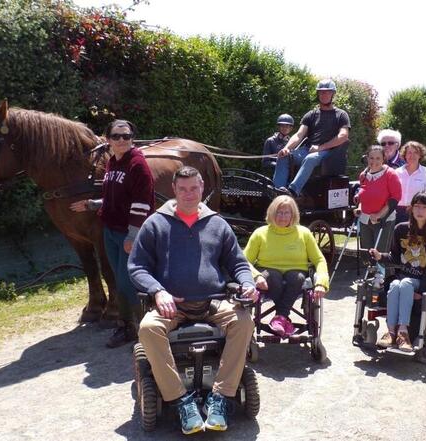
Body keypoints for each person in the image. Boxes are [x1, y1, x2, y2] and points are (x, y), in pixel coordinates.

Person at [128, 166, 258, 434]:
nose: (189, 193)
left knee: (243, 321)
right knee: (148, 329)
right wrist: (157, 290)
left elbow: (238, 263)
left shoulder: (217, 224)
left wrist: (246, 282)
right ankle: (181, 400)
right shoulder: (156, 223)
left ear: (202, 189)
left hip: (212, 301)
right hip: (172, 305)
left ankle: (220, 397)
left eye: (194, 188)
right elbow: (137, 266)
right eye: (183, 188)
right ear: (173, 190)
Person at [70, 119, 154, 348]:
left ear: (132, 138)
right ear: (108, 140)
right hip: (110, 230)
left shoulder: (137, 164)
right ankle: (128, 325)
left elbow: (142, 202)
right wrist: (92, 204)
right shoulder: (113, 163)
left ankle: (140, 328)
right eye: (116, 136)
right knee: (118, 279)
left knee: (128, 283)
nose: (121, 140)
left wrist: (132, 235)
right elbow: (114, 197)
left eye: (126, 136)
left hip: (128, 233)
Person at [369, 191, 426, 351]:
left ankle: (402, 332)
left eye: (424, 207)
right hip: (404, 280)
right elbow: (396, 258)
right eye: (416, 206)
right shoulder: (401, 229)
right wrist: (380, 256)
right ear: (411, 209)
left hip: (424, 280)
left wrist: (422, 290)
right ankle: (392, 332)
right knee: (394, 285)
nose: (419, 210)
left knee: (403, 283)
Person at [243, 195, 329, 337]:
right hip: (268, 273)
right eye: (279, 212)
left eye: (286, 213)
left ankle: (280, 318)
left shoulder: (304, 233)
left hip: (296, 273)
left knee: (297, 277)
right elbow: (244, 260)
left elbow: (319, 260)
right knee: (273, 276)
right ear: (272, 213)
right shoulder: (260, 234)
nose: (282, 217)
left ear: (293, 214)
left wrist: (321, 283)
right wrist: (256, 276)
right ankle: (283, 318)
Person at [273, 79, 351, 195]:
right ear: (318, 94)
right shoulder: (311, 115)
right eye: (321, 92)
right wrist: (287, 148)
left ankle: (293, 191)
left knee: (310, 159)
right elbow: (299, 135)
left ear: (332, 94)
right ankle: (277, 191)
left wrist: (321, 147)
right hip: (308, 150)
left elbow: (343, 136)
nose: (324, 95)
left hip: (330, 153)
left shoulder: (341, 115)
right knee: (284, 156)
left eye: (327, 92)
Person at [355, 145, 402, 253]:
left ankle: (382, 271)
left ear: (383, 159)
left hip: (383, 221)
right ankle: (369, 270)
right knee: (367, 256)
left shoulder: (390, 174)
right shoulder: (363, 175)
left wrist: (379, 215)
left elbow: (395, 197)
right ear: (367, 158)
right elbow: (363, 196)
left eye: (378, 158)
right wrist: (359, 207)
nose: (374, 161)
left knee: (381, 256)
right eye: (371, 158)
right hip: (365, 220)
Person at [395, 141, 426, 224]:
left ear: (420, 155)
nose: (412, 155)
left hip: (417, 212)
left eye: (415, 152)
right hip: (396, 212)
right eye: (409, 152)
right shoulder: (396, 172)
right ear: (405, 155)